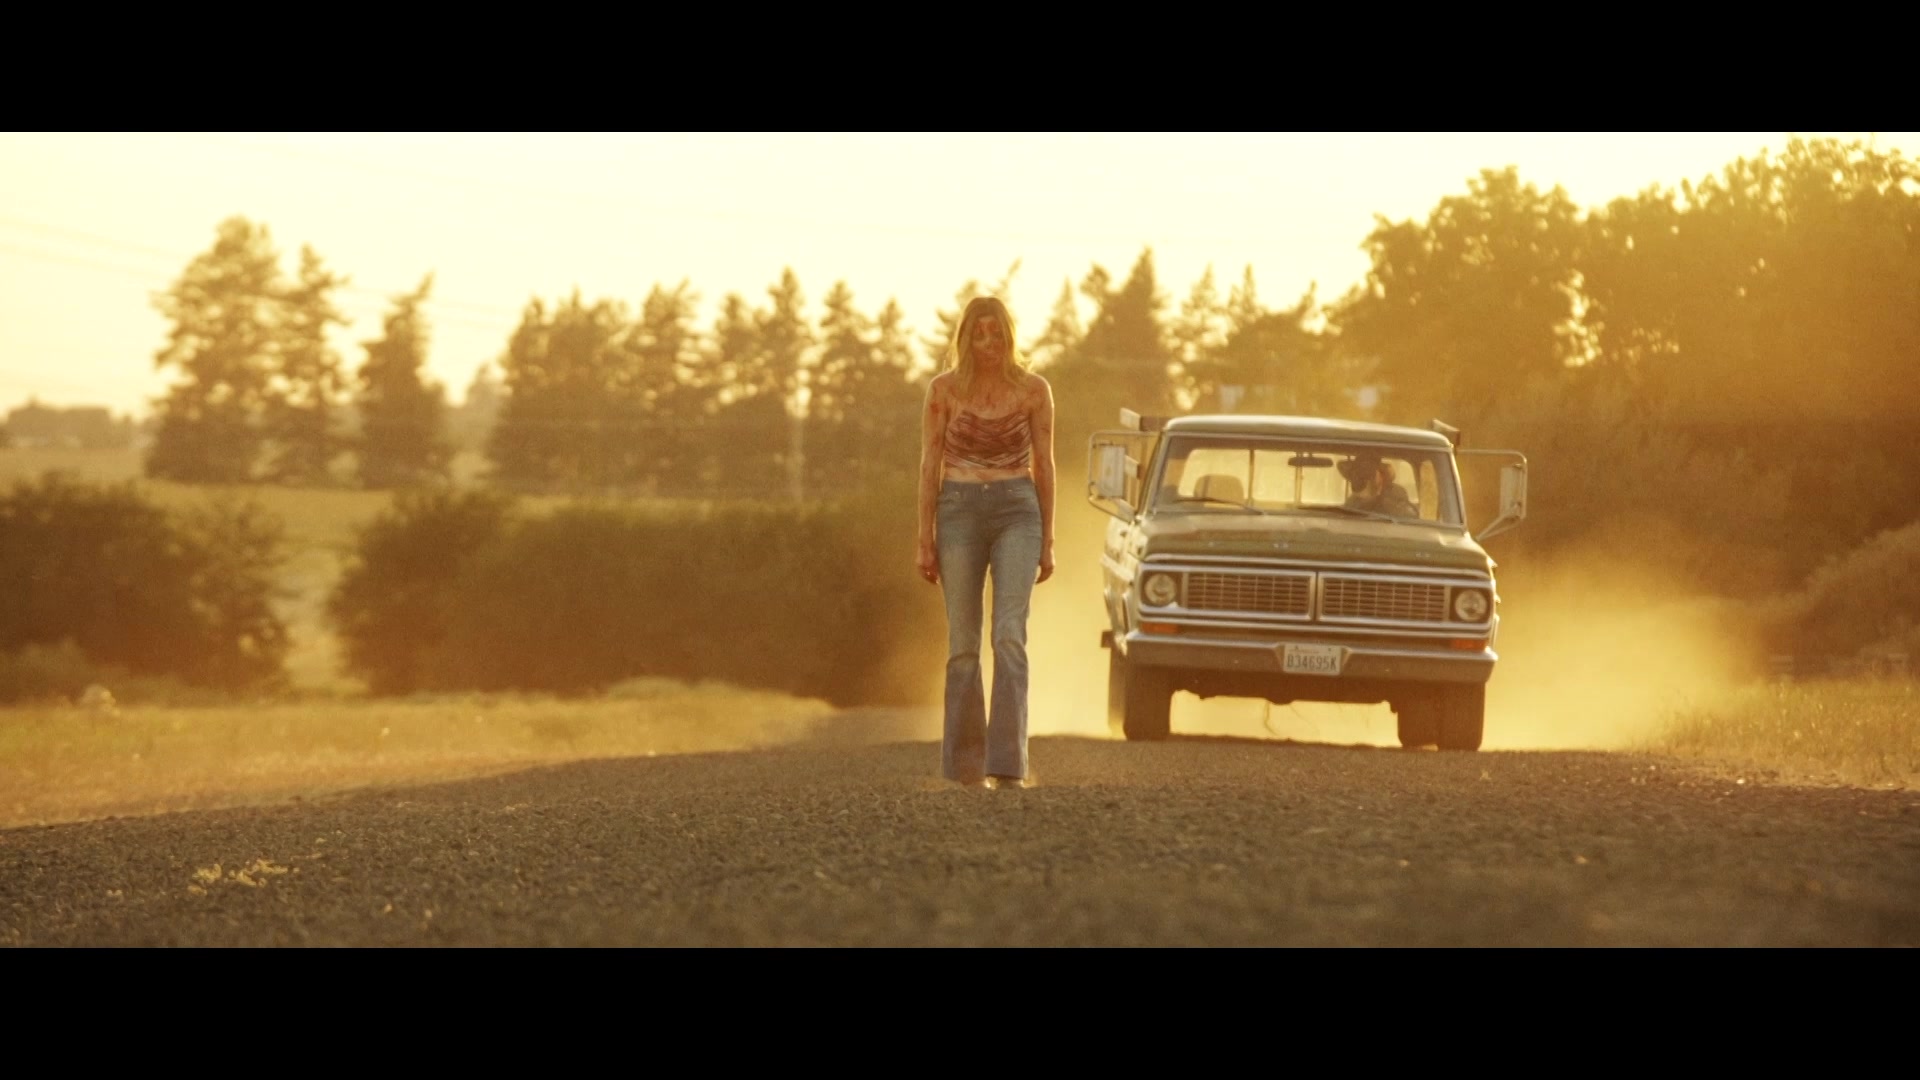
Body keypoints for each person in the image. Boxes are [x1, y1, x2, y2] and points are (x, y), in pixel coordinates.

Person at [917, 296, 1055, 790]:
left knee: (1008, 635)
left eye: (996, 333)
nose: (988, 343)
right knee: (963, 644)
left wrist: (1048, 540)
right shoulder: (943, 391)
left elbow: (1045, 463)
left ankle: (1008, 766)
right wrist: (924, 537)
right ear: (965, 339)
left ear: (1009, 335)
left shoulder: (1034, 390)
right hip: (958, 510)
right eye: (979, 334)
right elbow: (930, 463)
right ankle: (965, 767)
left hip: (1018, 509)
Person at [1341, 454, 1417, 517]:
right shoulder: (1353, 500)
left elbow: (1409, 515)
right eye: (1361, 473)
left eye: (1370, 472)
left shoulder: (1396, 492)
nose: (1366, 477)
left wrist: (1383, 501)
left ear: (1380, 474)